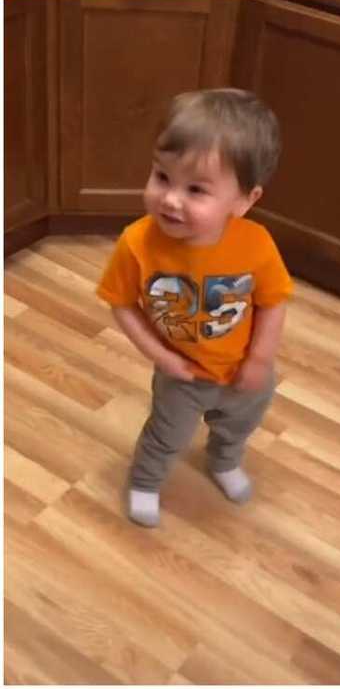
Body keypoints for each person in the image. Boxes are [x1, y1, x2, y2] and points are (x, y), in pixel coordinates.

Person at [97, 88, 293, 527]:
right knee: (166, 436)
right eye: (162, 177)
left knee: (238, 426)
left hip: (245, 371)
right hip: (182, 375)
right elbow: (122, 305)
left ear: (244, 201)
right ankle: (145, 482)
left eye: (196, 189)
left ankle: (223, 461)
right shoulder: (137, 243)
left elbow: (273, 302)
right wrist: (161, 356)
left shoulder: (256, 245)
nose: (170, 199)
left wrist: (260, 360)